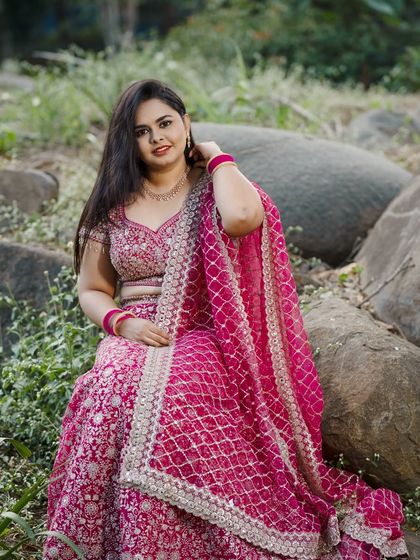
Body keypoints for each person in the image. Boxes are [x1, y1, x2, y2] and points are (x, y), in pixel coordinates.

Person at [43, 78, 408, 560]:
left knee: (173, 395)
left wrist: (217, 157)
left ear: (186, 122)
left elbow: (242, 218)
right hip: (132, 329)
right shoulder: (113, 206)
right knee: (112, 386)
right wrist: (121, 324)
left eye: (166, 123)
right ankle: (109, 537)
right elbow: (91, 289)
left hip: (200, 333)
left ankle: (179, 538)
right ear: (127, 141)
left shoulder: (211, 188)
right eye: (141, 131)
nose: (157, 137)